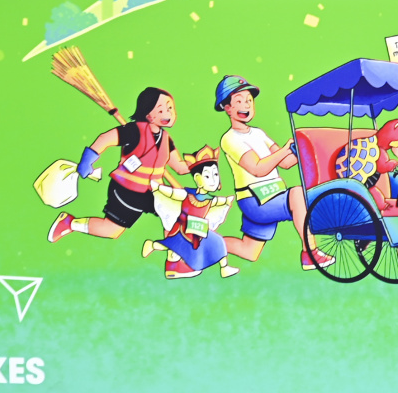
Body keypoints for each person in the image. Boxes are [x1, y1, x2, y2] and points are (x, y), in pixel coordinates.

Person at [47, 86, 205, 243]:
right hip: (127, 190)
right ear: (147, 113)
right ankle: (70, 223)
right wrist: (87, 160)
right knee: (111, 230)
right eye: (161, 110)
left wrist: (202, 164)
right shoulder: (134, 131)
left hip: (154, 191)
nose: (168, 114)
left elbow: (178, 166)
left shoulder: (165, 138)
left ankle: (177, 249)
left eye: (170, 108)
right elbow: (105, 139)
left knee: (177, 212)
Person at [213, 74, 333, 272]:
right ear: (227, 108)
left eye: (249, 100)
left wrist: (302, 149)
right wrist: (285, 150)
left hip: (272, 195)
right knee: (297, 194)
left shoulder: (258, 133)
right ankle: (310, 253)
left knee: (249, 251)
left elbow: (285, 162)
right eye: (239, 101)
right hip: (256, 200)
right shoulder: (230, 139)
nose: (246, 105)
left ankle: (205, 244)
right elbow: (257, 168)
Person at [146, 156, 239, 280]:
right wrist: (158, 187)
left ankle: (224, 268)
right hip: (183, 228)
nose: (213, 180)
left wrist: (226, 201)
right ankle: (154, 248)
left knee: (217, 241)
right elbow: (173, 193)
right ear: (197, 178)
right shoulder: (187, 194)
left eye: (216, 174)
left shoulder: (209, 198)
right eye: (207, 176)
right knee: (174, 247)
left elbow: (217, 201)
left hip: (198, 229)